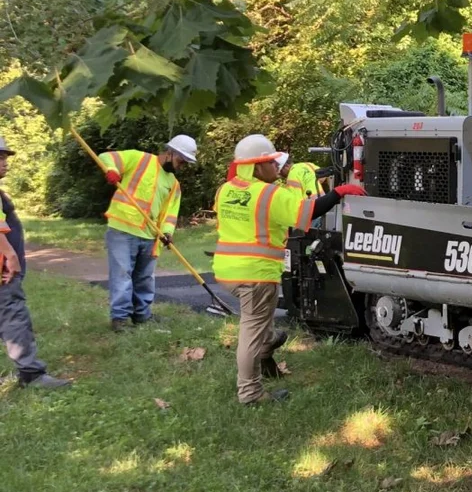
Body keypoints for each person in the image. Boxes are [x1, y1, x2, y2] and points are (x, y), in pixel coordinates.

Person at [213, 134, 363, 405]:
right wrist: (338, 193)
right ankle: (250, 393)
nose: (277, 166)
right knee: (252, 330)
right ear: (257, 166)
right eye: (271, 162)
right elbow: (306, 212)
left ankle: (268, 345)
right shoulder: (268, 194)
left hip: (227, 271)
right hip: (255, 274)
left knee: (259, 322)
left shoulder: (226, 189)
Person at [98, 135, 198, 332]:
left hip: (151, 235)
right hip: (123, 228)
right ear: (170, 153)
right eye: (181, 161)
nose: (182, 166)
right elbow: (106, 157)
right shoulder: (139, 159)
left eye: (186, 163)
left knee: (144, 278)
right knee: (122, 274)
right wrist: (112, 170)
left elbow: (170, 213)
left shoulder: (174, 184)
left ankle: (142, 316)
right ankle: (120, 319)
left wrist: (167, 232)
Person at [0, 134, 71, 390]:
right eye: (0, 157)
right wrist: (10, 255)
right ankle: (31, 375)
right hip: (3, 271)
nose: (5, 162)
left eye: (5, 157)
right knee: (14, 316)